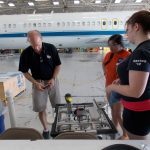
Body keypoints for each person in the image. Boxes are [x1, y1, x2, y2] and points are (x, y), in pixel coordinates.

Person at [106, 10, 150, 139]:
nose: (126, 34)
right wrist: (123, 78)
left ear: (136, 27)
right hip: (143, 108)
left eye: (128, 29)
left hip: (138, 112)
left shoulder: (140, 52)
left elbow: (135, 91)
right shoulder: (146, 48)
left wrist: (112, 87)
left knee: (137, 144)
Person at [19, 30, 61, 139]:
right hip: (38, 82)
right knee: (40, 108)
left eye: (37, 45)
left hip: (52, 80)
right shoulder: (26, 53)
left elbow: (58, 65)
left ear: (41, 39)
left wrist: (53, 78)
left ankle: (58, 129)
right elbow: (24, 71)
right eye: (33, 45)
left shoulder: (51, 48)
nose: (36, 48)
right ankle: (46, 129)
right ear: (29, 41)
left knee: (58, 107)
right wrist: (35, 83)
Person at [102, 34, 130, 139]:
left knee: (117, 113)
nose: (110, 47)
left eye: (113, 45)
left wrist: (120, 80)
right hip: (109, 87)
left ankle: (125, 134)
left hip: (119, 90)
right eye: (109, 45)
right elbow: (103, 64)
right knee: (113, 111)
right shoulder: (109, 54)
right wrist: (105, 74)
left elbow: (131, 74)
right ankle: (114, 129)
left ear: (120, 44)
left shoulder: (127, 55)